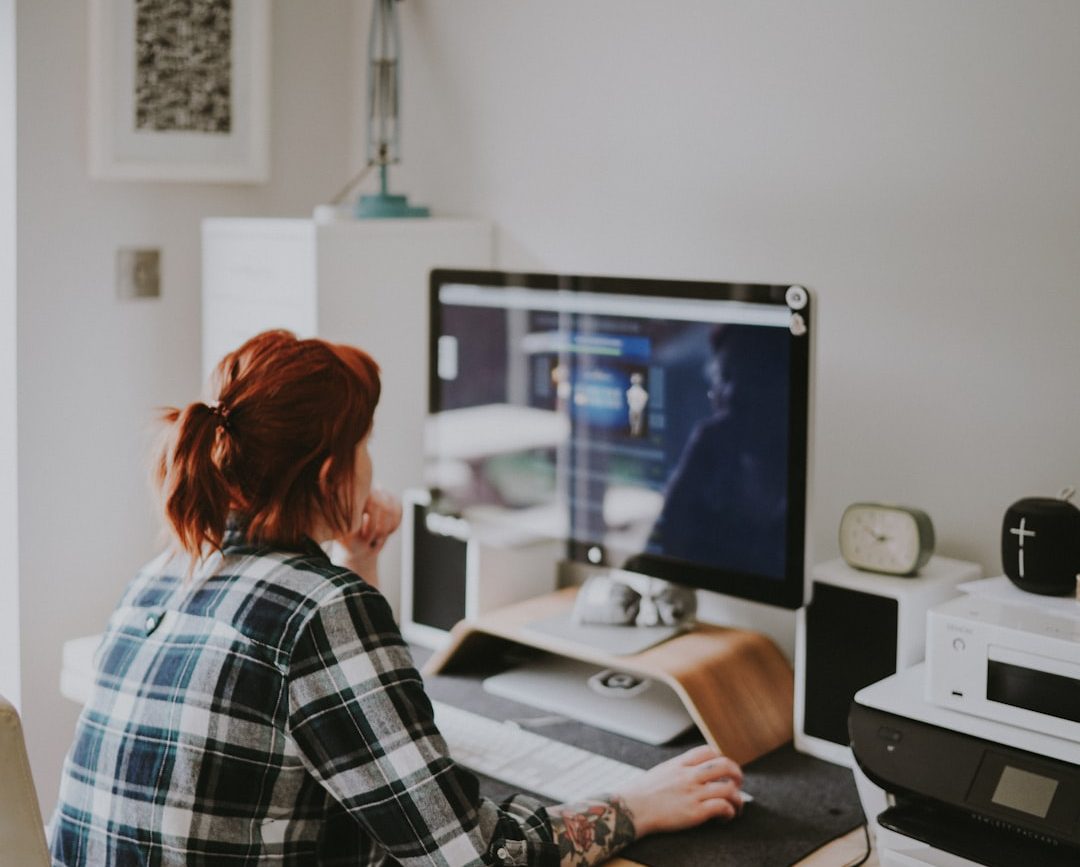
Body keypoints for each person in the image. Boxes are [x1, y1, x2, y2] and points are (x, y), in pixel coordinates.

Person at [49, 330, 744, 867]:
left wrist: (360, 560)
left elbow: (344, 725)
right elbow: (471, 854)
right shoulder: (319, 609)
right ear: (332, 472)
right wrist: (638, 804)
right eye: (366, 444)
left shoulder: (169, 567)